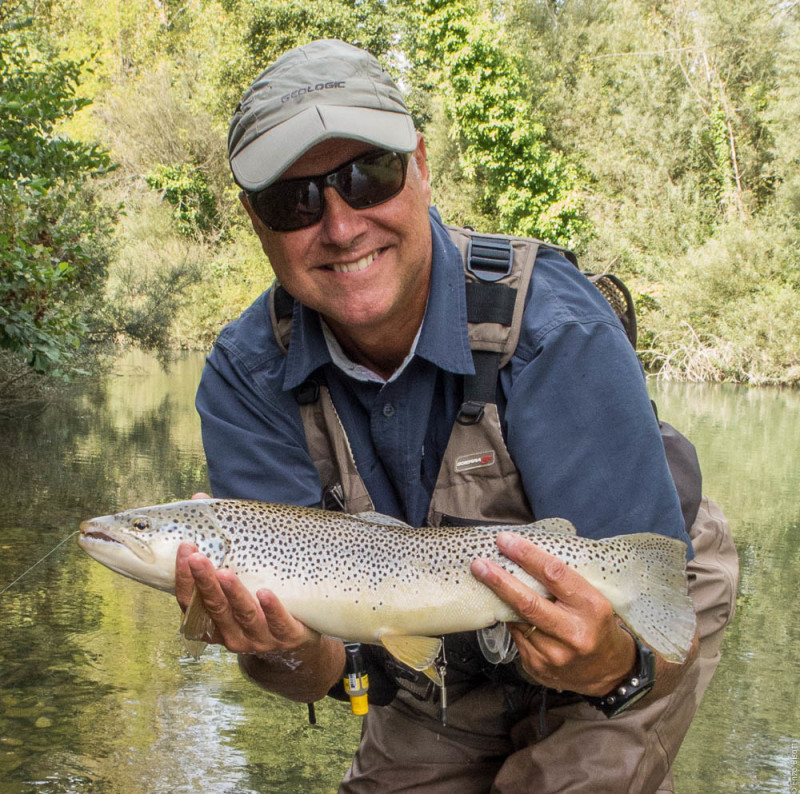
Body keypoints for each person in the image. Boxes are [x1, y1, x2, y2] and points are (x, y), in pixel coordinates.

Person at [175, 39, 737, 793]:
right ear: (255, 220)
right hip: (435, 650)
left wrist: (610, 661)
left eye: (367, 175)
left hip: (631, 591)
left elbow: (654, 641)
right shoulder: (248, 377)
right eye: (294, 200)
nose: (340, 226)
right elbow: (328, 670)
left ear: (422, 166)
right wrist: (277, 649)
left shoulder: (555, 329)